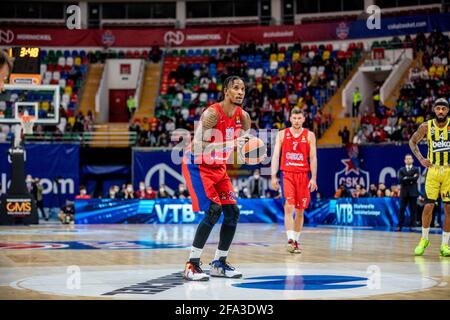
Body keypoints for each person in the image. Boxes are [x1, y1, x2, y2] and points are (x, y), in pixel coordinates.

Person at [181, 75, 251, 281]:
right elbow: (197, 147)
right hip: (197, 164)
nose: (240, 92)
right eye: (236, 88)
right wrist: (228, 144)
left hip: (218, 166)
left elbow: (239, 149)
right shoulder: (212, 113)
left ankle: (219, 263)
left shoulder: (244, 117)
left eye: (243, 89)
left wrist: (251, 152)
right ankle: (191, 264)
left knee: (232, 211)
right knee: (214, 209)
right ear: (226, 92)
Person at [271, 107, 318, 254]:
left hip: (303, 176)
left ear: (303, 119)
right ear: (290, 118)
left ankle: (296, 241)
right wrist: (273, 175)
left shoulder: (310, 135)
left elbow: (313, 158)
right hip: (288, 174)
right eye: (294, 118)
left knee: (300, 210)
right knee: (288, 206)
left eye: (299, 118)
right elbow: (276, 156)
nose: (297, 121)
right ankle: (290, 239)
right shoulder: (281, 134)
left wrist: (314, 178)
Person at [409, 98, 450, 257]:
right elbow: (412, 142)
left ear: (447, 111)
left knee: (448, 208)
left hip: (448, 171)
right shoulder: (426, 126)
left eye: (443, 109)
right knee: (428, 206)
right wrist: (420, 159)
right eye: (438, 108)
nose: (441, 111)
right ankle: (424, 239)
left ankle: (445, 245)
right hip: (433, 171)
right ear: (434, 109)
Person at [397, 154, 420, 231]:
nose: (408, 160)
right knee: (402, 209)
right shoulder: (401, 170)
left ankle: (413, 225)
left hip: (413, 192)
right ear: (404, 160)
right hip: (404, 193)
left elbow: (416, 178)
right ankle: (399, 225)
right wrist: (411, 178)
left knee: (413, 209)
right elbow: (400, 180)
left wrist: (406, 178)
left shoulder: (416, 169)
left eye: (410, 159)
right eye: (407, 159)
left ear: (412, 160)